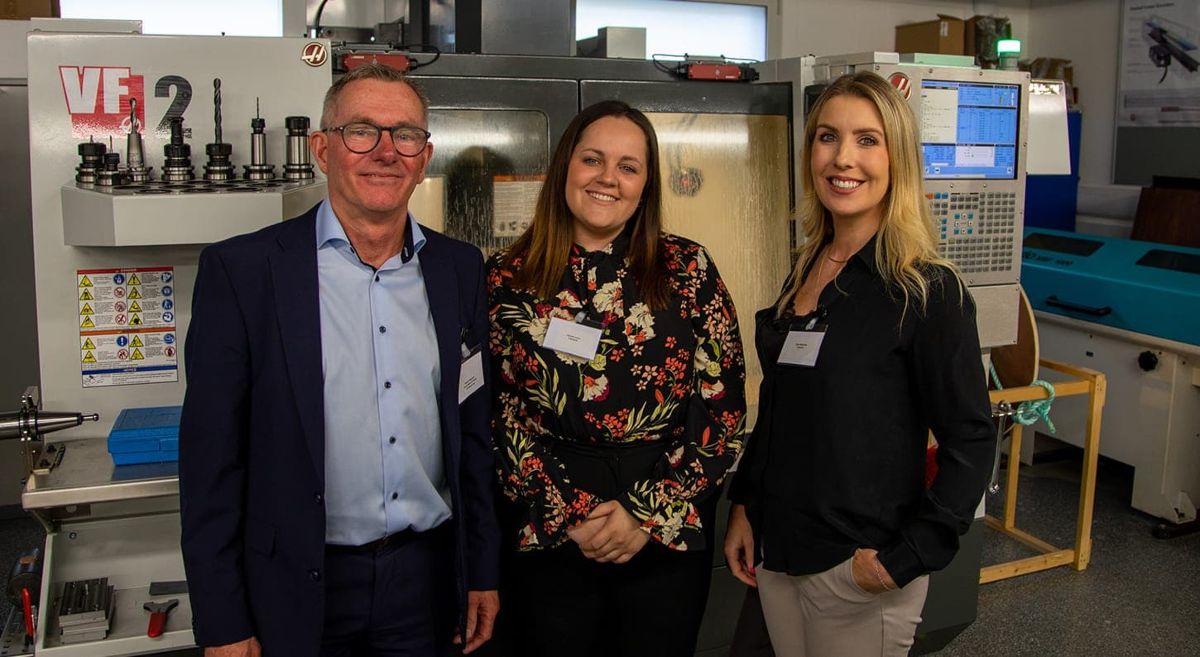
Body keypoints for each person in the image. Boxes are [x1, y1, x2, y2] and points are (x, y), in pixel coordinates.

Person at [179, 63, 501, 657]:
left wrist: (481, 567)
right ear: (323, 150)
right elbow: (210, 464)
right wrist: (222, 619)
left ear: (424, 156)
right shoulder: (245, 273)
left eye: (405, 134)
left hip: (423, 582)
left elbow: (473, 434)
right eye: (362, 131)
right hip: (295, 587)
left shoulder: (458, 270)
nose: (385, 151)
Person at [723, 71, 996, 657]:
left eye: (867, 140)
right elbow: (781, 405)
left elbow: (970, 439)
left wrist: (909, 557)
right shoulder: (808, 266)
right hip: (780, 547)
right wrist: (747, 504)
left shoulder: (926, 290)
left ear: (897, 158)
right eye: (827, 137)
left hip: (858, 566)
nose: (843, 157)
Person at [485, 100, 747, 657]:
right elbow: (497, 410)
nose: (608, 178)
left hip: (664, 526)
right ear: (565, 169)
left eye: (628, 167)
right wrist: (570, 513)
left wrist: (645, 512)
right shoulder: (508, 276)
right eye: (593, 160)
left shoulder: (688, 270)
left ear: (646, 184)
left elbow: (722, 411)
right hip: (548, 526)